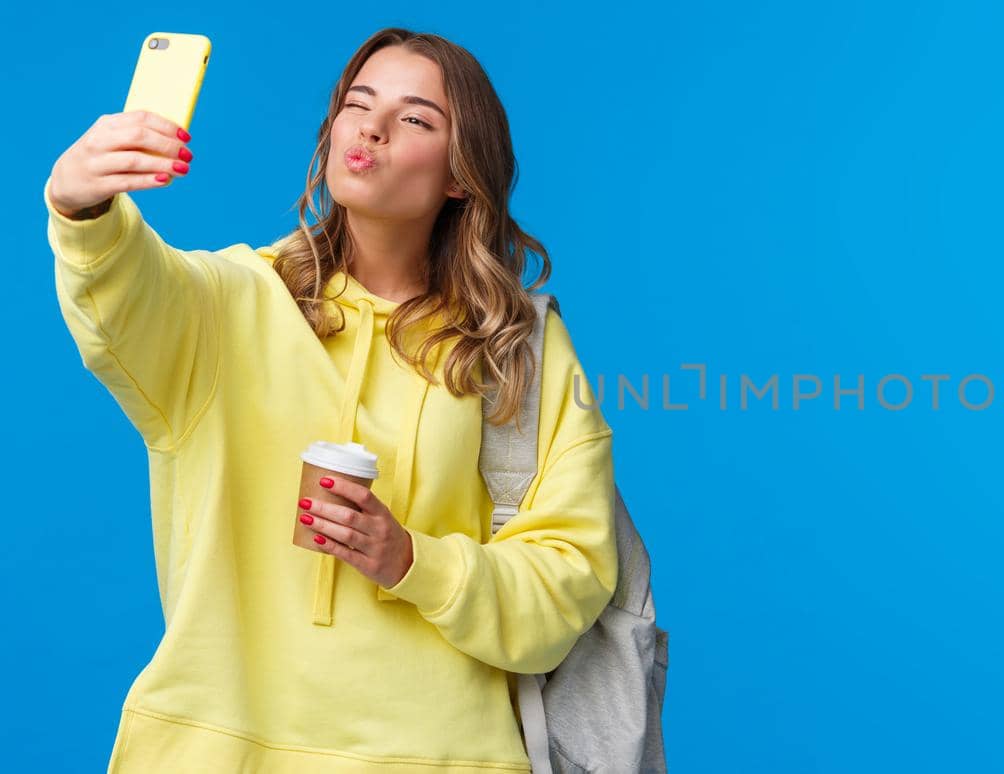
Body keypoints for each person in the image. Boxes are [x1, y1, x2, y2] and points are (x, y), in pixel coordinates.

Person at [44, 27, 618, 773]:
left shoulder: (513, 348)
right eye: (357, 103)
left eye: (415, 119)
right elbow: (122, 296)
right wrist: (81, 211)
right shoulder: (228, 302)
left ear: (459, 173)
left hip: (442, 755)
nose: (372, 128)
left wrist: (413, 558)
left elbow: (568, 579)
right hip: (215, 750)